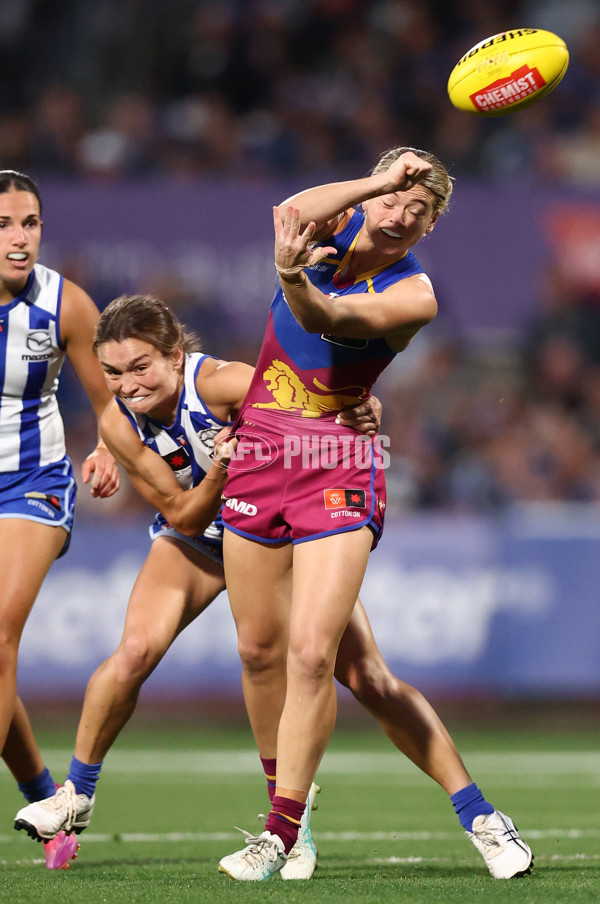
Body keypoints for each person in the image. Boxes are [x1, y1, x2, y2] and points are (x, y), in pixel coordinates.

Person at [14, 294, 529, 881]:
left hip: (276, 529)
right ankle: (77, 794)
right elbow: (181, 515)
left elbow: (314, 393)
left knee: (367, 678)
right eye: (112, 372)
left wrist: (367, 408)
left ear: (177, 358)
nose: (127, 384)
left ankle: (481, 816)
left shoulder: (227, 383)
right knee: (140, 651)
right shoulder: (115, 421)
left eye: (141, 367)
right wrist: (218, 470)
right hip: (201, 535)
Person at [217, 147, 533, 881]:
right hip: (260, 460)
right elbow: (291, 209)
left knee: (310, 655)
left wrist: (291, 272)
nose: (397, 214)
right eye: (391, 197)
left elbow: (322, 313)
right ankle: (482, 813)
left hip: (335, 465)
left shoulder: (413, 293)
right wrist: (379, 182)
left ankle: (282, 833)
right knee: (281, 657)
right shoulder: (329, 225)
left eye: (417, 211)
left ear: (429, 230)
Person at [0, 170, 120, 870]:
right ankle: (47, 798)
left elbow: (112, 398)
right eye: (5, 225)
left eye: (30, 223)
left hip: (35, 485)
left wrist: (108, 448)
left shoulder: (66, 305)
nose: (20, 239)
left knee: (0, 631)